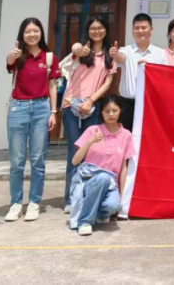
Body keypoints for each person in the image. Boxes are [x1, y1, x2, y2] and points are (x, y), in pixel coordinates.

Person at [4, 17, 59, 223]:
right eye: (28, 31)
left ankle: (34, 202)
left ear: (41, 33)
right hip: (18, 108)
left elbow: (52, 86)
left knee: (38, 159)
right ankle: (16, 203)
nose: (32, 34)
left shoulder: (49, 57)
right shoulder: (18, 55)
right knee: (17, 161)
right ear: (22, 34)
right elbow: (9, 64)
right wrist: (11, 55)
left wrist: (53, 112)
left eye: (36, 31)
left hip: (41, 108)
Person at [62, 16, 116, 213]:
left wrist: (91, 100)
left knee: (91, 151)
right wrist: (79, 50)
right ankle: (70, 198)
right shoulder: (81, 49)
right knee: (74, 151)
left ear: (106, 30)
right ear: (87, 31)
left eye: (100, 28)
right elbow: (76, 48)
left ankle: (85, 194)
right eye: (93, 28)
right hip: (71, 105)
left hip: (92, 106)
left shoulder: (110, 55)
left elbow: (108, 83)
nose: (96, 31)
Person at [68, 96, 134, 237]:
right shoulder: (93, 130)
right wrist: (89, 142)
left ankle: (98, 213)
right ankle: (85, 222)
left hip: (110, 185)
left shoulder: (126, 135)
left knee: (113, 205)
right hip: (89, 181)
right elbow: (74, 161)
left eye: (114, 110)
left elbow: (123, 168)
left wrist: (121, 195)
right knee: (103, 177)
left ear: (120, 111)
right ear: (101, 113)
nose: (111, 114)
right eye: (107, 111)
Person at [110, 13, 167, 132]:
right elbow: (120, 57)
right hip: (127, 106)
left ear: (151, 30)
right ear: (132, 31)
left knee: (148, 137)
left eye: (143, 27)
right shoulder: (126, 50)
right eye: (136, 28)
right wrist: (115, 54)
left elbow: (164, 77)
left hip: (150, 104)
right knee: (127, 138)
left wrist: (150, 68)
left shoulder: (160, 53)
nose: (140, 31)